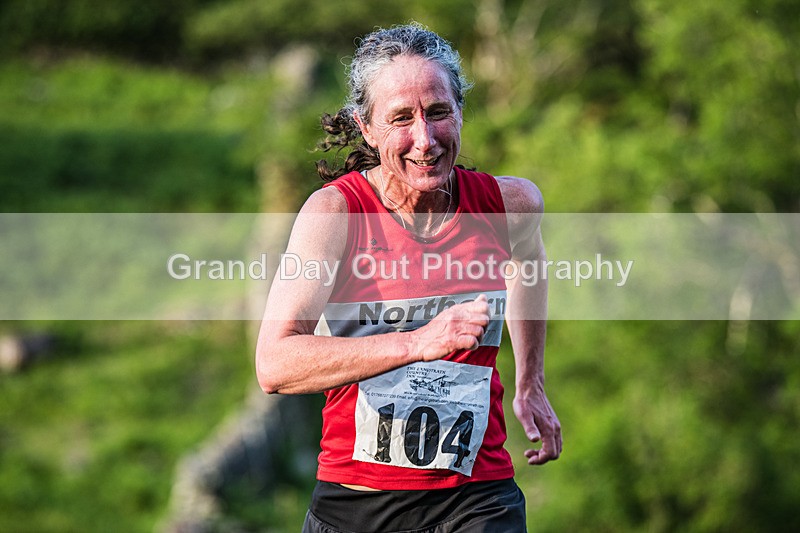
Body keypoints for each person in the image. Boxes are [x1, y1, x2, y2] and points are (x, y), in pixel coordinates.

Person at [255, 23, 561, 532]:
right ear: (367, 127)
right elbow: (276, 363)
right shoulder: (336, 215)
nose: (425, 139)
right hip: (357, 506)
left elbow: (528, 264)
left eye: (438, 112)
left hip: (478, 499)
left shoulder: (510, 206)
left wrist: (531, 379)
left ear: (460, 111)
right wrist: (418, 341)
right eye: (401, 118)